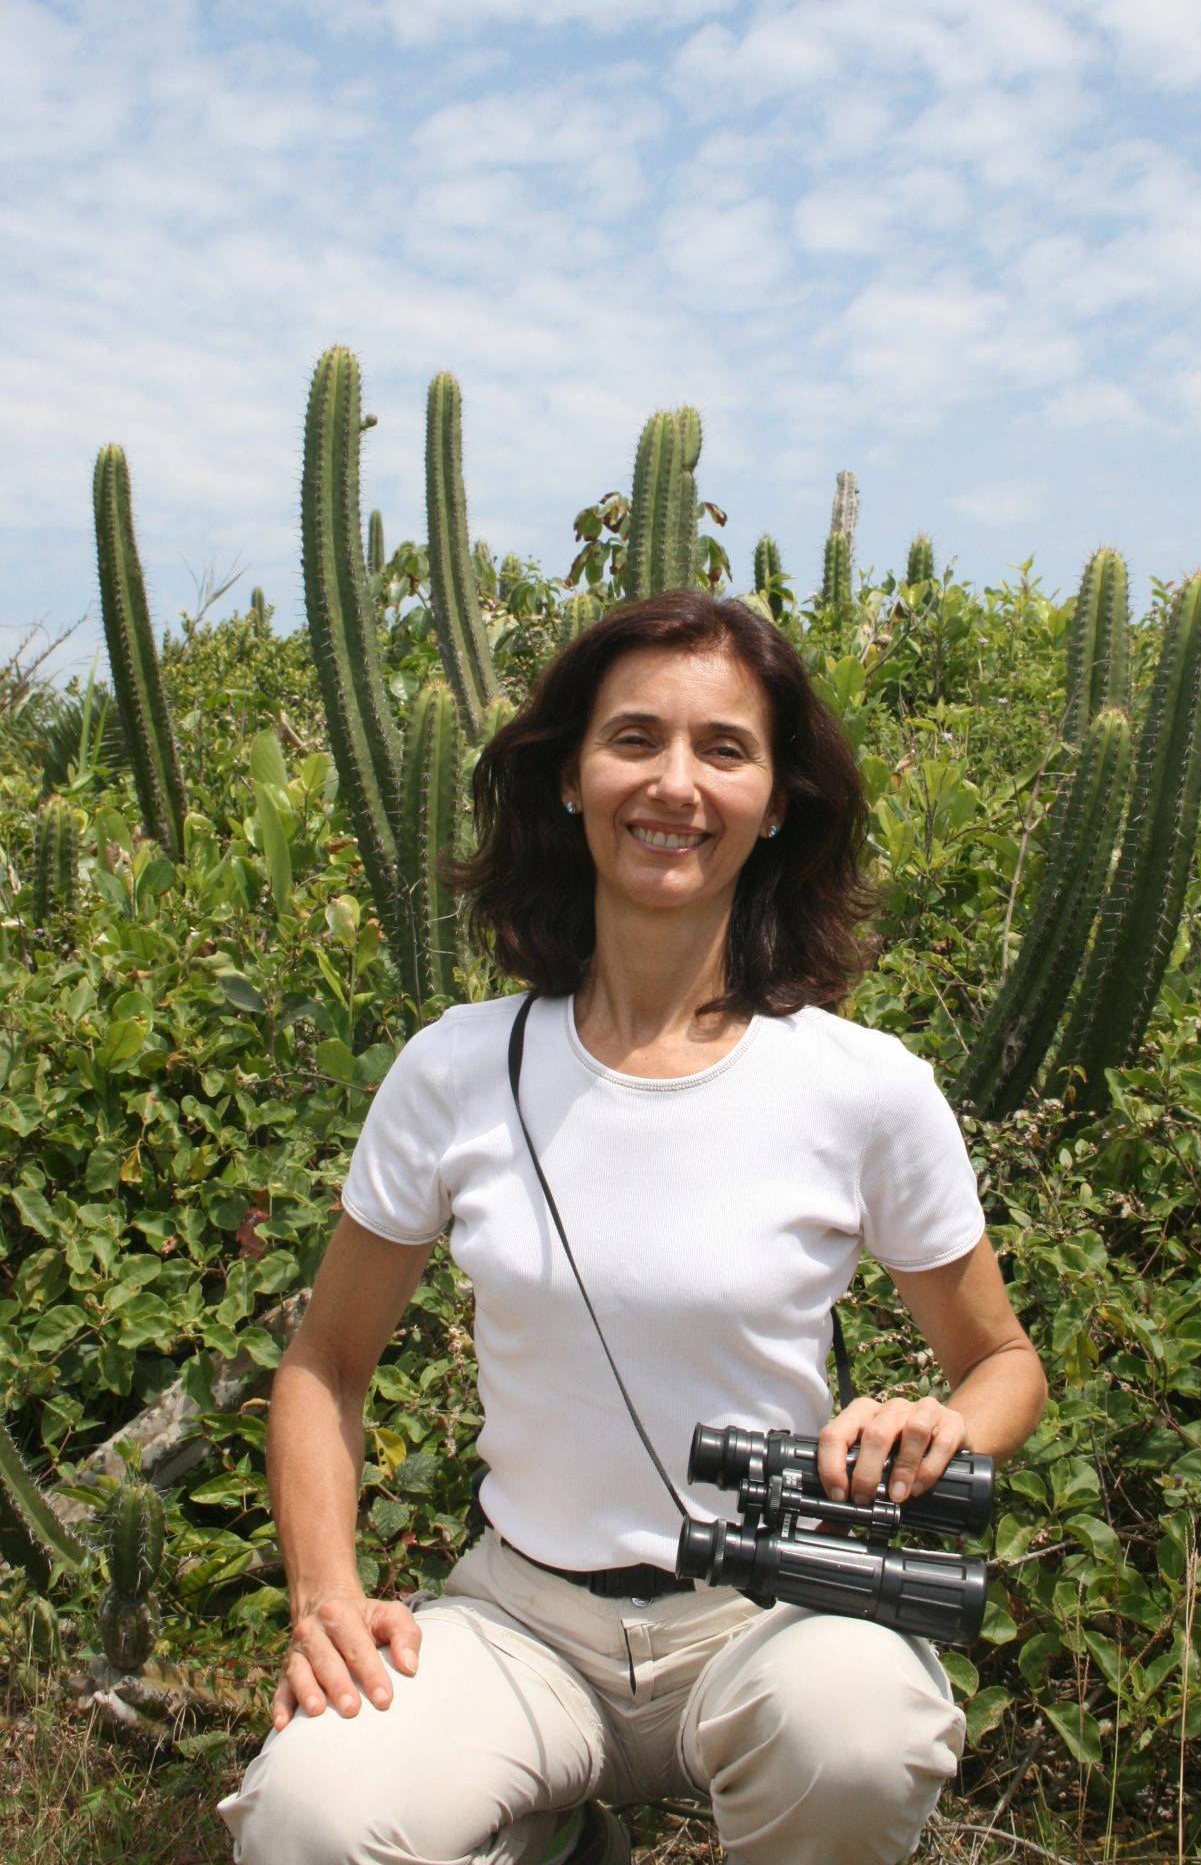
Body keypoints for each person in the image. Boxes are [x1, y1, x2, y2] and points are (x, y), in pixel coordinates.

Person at [216, 586, 1048, 1865]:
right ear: (570, 778)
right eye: (634, 738)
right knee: (307, 1819)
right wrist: (327, 1593)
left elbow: (1002, 1360)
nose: (675, 783)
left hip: (772, 1610)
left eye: (725, 749)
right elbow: (324, 1360)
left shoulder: (861, 1086)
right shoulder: (456, 1068)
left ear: (778, 801)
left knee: (861, 1733)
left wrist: (943, 1427)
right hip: (521, 1619)